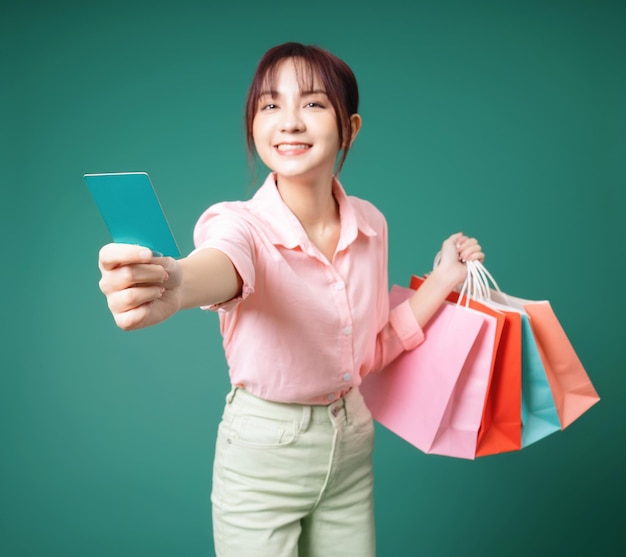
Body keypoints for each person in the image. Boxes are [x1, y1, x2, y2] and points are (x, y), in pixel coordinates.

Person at [97, 42, 484, 557]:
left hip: (351, 442)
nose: (290, 122)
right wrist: (176, 282)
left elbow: (372, 346)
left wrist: (443, 279)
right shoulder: (238, 223)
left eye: (314, 103)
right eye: (270, 105)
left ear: (351, 127)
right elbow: (224, 264)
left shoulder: (370, 224)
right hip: (264, 454)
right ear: (254, 125)